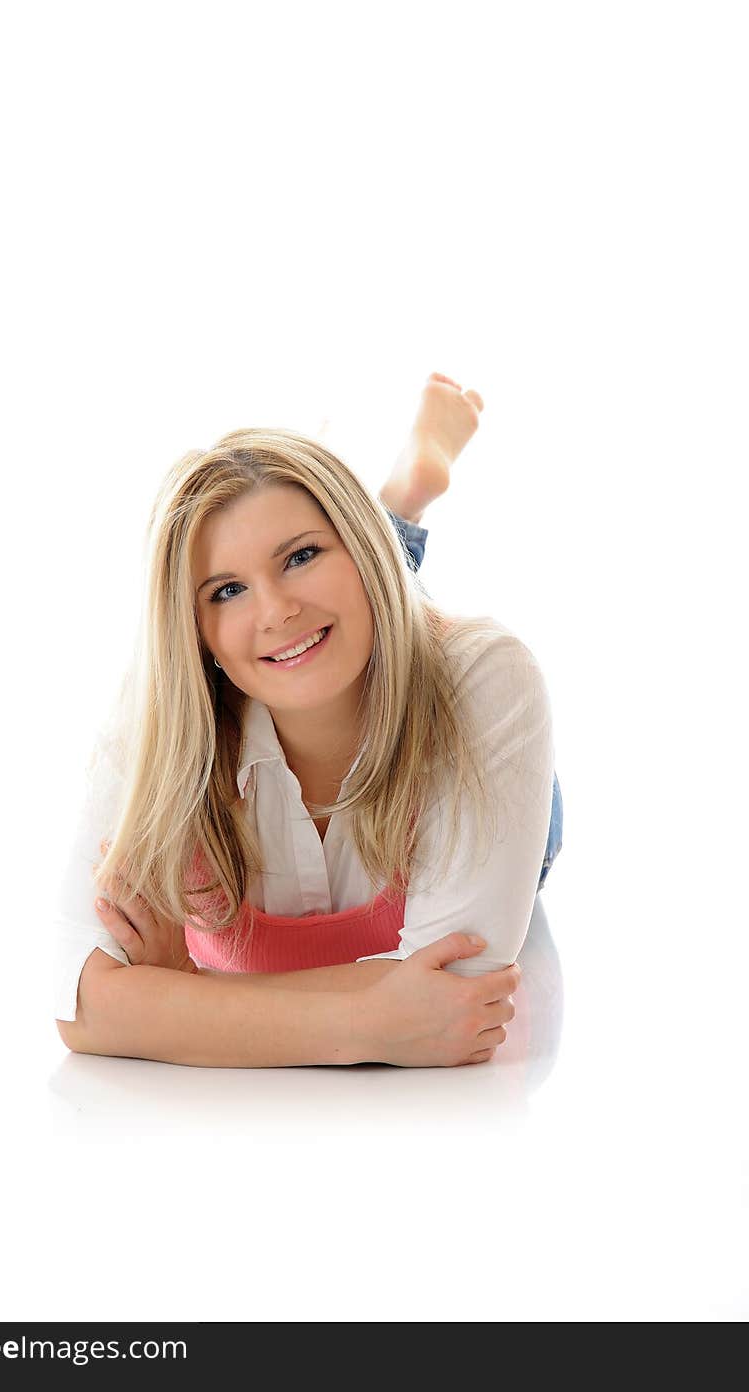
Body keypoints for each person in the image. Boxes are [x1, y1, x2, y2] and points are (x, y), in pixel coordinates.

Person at [54, 372, 563, 1068]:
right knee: (323, 628)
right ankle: (390, 506)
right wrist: (370, 1021)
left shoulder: (487, 682)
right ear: (195, 633)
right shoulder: (156, 715)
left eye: (301, 555)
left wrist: (181, 998)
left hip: (425, 690)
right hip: (331, 634)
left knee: (389, 614)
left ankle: (395, 512)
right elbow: (79, 1006)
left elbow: (460, 996)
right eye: (226, 590)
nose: (273, 609)